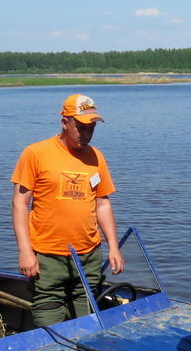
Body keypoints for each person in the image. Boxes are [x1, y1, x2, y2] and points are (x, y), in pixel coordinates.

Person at [11, 94, 124, 326]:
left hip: (88, 255)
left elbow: (102, 203)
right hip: (47, 254)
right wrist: (25, 251)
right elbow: (19, 204)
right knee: (49, 321)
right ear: (65, 122)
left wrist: (113, 246)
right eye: (81, 127)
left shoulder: (96, 157)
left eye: (91, 128)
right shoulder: (36, 153)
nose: (86, 134)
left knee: (86, 321)